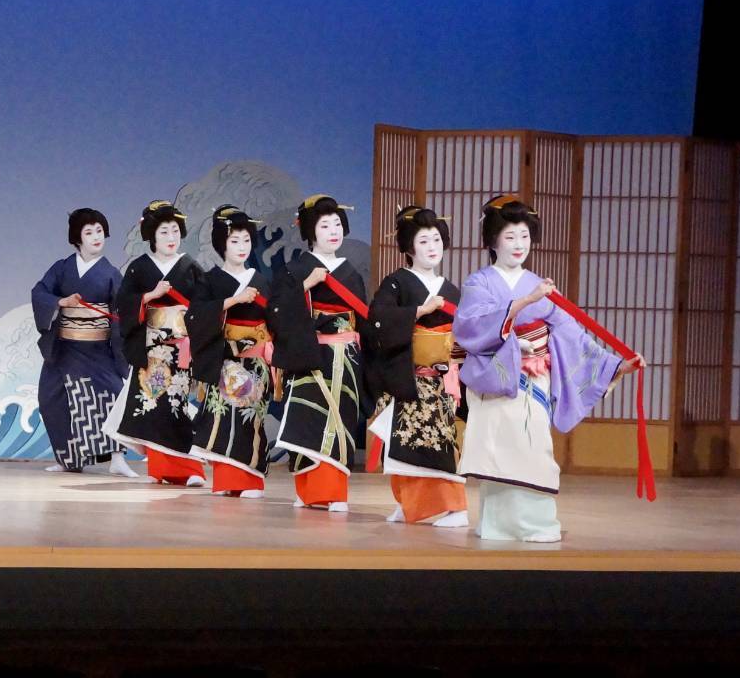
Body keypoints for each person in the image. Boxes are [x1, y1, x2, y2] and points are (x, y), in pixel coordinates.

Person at [454, 195, 642, 542]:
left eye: (525, 236)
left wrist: (615, 365)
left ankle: (536, 524)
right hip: (498, 381)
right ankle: (497, 525)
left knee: (534, 449)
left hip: (535, 380)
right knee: (499, 454)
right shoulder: (479, 283)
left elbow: (573, 335)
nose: (519, 245)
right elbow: (470, 328)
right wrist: (524, 309)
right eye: (510, 236)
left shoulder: (539, 284)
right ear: (493, 240)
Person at [365, 206, 468, 527]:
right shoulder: (397, 283)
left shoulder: (451, 290)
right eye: (423, 241)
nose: (432, 247)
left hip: (440, 381)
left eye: (436, 239)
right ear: (409, 247)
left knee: (439, 443)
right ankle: (409, 504)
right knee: (401, 444)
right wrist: (419, 311)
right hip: (406, 377)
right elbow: (377, 320)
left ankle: (456, 508)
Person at [267, 195, 370, 512]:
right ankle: (307, 491)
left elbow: (362, 320)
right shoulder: (296, 269)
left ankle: (335, 492)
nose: (333, 231)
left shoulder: (350, 272)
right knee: (307, 421)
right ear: (310, 230)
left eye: (337, 224)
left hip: (346, 358)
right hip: (309, 355)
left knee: (340, 423)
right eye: (325, 225)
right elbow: (276, 313)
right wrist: (305, 285)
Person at [107, 201, 207, 487]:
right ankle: (162, 469)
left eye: (175, 230)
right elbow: (123, 303)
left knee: (177, 405)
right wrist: (150, 296)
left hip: (181, 348)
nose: (171, 237)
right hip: (151, 349)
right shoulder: (139, 268)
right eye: (164, 232)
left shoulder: (191, 267)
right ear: (152, 235)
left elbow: (205, 305)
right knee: (154, 407)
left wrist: (194, 315)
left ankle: (191, 470)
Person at [31, 208, 134, 476]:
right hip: (64, 349)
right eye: (89, 232)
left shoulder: (111, 273)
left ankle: (117, 458)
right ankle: (69, 459)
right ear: (77, 238)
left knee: (110, 396)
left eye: (99, 231)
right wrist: (61, 302)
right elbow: (40, 292)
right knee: (52, 399)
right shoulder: (62, 268)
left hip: (97, 349)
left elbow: (121, 313)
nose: (96, 237)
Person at [186, 206, 276, 497]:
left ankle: (251, 482)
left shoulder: (261, 280)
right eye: (234, 241)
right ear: (221, 244)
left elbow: (276, 320)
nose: (241, 247)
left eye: (246, 240)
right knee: (222, 420)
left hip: (255, 361)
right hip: (225, 360)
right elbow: (195, 316)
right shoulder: (210, 280)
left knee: (251, 419)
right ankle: (226, 482)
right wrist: (232, 301)